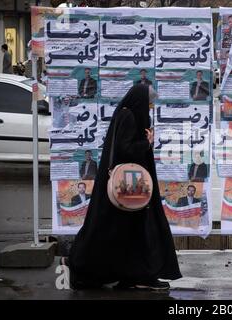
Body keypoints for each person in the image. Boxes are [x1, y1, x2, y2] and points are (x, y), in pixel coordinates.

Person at [63, 84, 182, 290]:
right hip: (127, 187)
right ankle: (82, 266)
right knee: (116, 231)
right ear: (141, 102)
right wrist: (147, 142)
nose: (151, 107)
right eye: (150, 103)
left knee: (123, 233)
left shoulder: (127, 114)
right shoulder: (129, 117)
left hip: (130, 188)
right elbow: (125, 149)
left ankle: (134, 275)